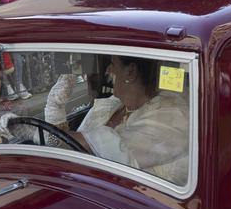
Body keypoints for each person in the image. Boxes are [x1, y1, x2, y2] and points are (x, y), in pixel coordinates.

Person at [32, 53, 193, 186]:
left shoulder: (170, 115)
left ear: (131, 72)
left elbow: (108, 151)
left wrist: (38, 131)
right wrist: (56, 108)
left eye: (113, 64)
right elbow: (71, 150)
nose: (108, 69)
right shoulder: (110, 105)